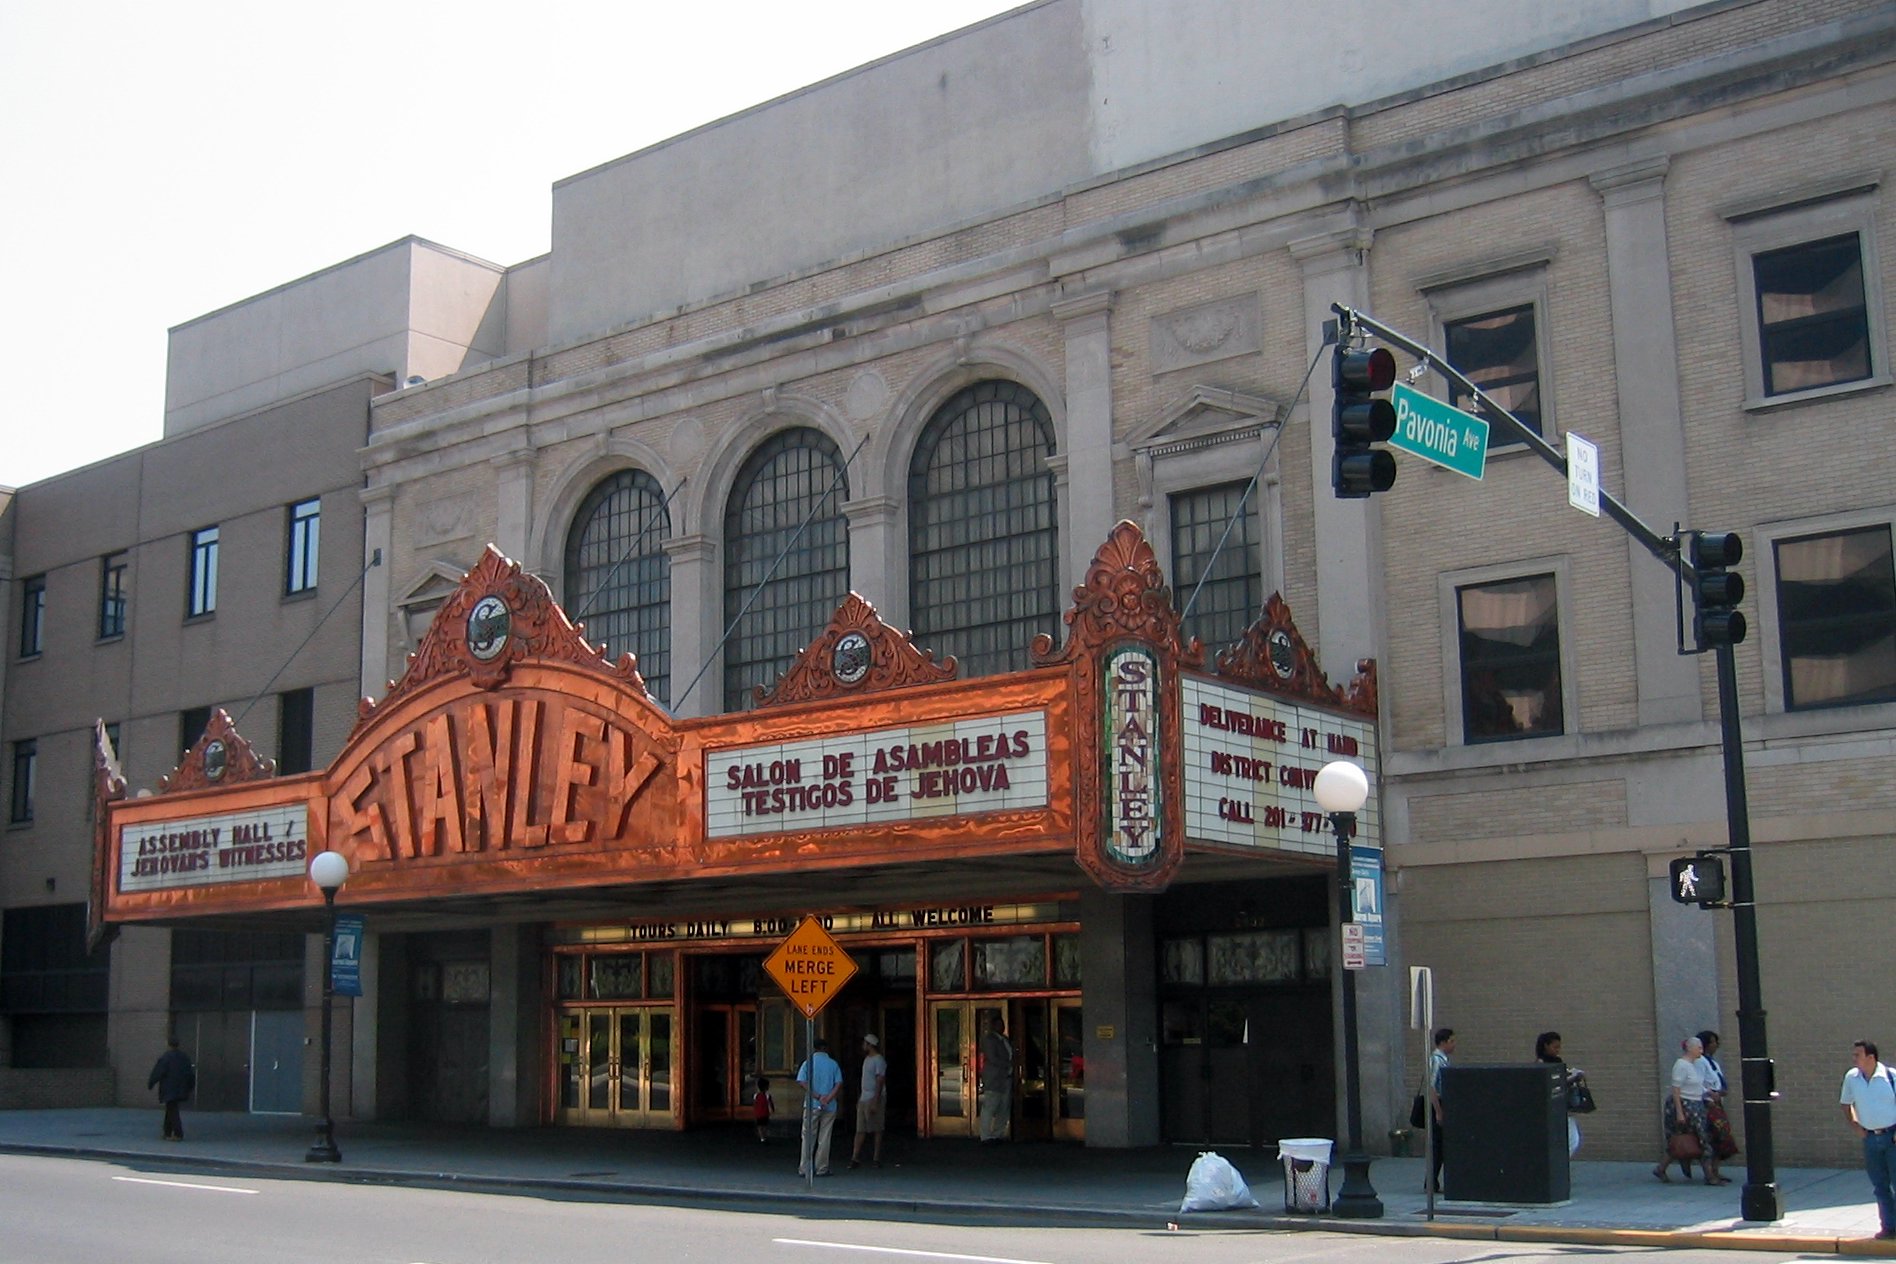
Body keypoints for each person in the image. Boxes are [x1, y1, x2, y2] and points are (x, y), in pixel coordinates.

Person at [1840, 1039, 1896, 1241]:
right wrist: (1855, 1125)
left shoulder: (1891, 1077)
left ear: (1871, 1057)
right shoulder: (1852, 1078)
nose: (1854, 1059)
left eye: (1858, 1055)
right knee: (1880, 1186)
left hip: (1892, 1138)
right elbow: (1846, 1104)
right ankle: (1889, 1227)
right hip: (1870, 1138)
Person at [1654, 1035, 1725, 1184]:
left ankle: (1661, 1168)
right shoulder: (1681, 1065)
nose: (1701, 1050)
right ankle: (1709, 1176)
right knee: (1701, 1138)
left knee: (1695, 1138)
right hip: (1686, 1105)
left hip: (1696, 1104)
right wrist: (1680, 1113)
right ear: (1690, 1048)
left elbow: (1696, 1085)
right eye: (1698, 1048)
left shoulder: (1693, 1065)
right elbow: (1676, 1089)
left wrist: (1709, 1093)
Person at [795, 1039, 843, 1176]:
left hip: (812, 1104)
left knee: (808, 1136)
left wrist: (817, 1096)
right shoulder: (833, 1064)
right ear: (825, 1048)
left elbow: (802, 1082)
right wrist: (828, 1098)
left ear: (814, 1048)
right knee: (825, 1137)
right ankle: (822, 1167)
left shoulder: (808, 1063)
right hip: (830, 1105)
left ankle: (804, 1168)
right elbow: (838, 1084)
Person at [1536, 1031, 1583, 1156]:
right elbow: (1550, 1084)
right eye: (1555, 1047)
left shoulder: (1557, 1061)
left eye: (1559, 1047)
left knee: (1572, 1138)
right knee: (1572, 1139)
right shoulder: (1541, 1064)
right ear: (1546, 1046)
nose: (1558, 1050)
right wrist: (1571, 1079)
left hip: (1562, 1105)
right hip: (1554, 1107)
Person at [1699, 1030, 1739, 1166]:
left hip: (1717, 1102)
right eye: (1714, 1042)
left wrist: (1722, 1091)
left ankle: (1716, 1170)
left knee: (1721, 1137)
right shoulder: (1699, 1062)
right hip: (1708, 1104)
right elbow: (1698, 1082)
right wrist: (1709, 1095)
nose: (1717, 1045)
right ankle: (1710, 1173)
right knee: (1714, 1136)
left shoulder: (1713, 1062)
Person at [849, 1033, 888, 1169]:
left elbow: (880, 1080)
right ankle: (855, 1157)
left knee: (877, 1128)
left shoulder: (878, 1060)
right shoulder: (867, 1059)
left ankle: (876, 1157)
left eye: (865, 1043)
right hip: (864, 1097)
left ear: (870, 1045)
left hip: (873, 1097)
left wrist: (876, 1100)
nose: (863, 1045)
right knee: (860, 1129)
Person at [147, 1038, 195, 1142]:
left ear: (169, 1045)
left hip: (169, 1087)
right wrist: (190, 1086)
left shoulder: (166, 1057)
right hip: (181, 1087)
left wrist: (151, 1083)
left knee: (172, 1109)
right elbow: (190, 1073)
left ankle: (178, 1133)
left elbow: (158, 1072)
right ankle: (167, 1132)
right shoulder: (184, 1057)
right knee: (171, 1108)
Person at [1426, 1027, 1454, 1194]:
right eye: (1451, 1041)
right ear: (1443, 1042)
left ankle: (1432, 1180)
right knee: (1438, 1146)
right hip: (1438, 1104)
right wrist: (1438, 1111)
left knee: (1440, 1146)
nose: (1454, 1045)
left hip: (1441, 1104)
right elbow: (1432, 1087)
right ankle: (1431, 1181)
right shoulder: (1437, 1060)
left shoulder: (1444, 1059)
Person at [978, 1015, 1014, 1144]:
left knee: (1004, 1107)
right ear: (993, 1026)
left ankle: (998, 1134)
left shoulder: (1005, 1039)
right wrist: (1009, 1065)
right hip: (994, 1078)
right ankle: (985, 1135)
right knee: (990, 1106)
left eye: (1002, 1024)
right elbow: (992, 1058)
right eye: (999, 1024)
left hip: (1006, 1078)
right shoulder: (989, 1040)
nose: (1001, 1027)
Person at [752, 1075, 775, 1143]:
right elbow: (770, 1103)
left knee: (759, 1125)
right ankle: (764, 1136)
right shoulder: (767, 1095)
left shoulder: (756, 1095)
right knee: (765, 1125)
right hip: (765, 1113)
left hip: (758, 1113)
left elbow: (754, 1104)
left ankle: (761, 1137)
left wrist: (755, 1110)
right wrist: (772, 1109)